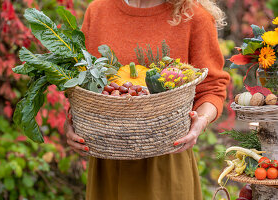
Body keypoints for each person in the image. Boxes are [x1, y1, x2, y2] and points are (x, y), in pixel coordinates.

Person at [65, 0, 230, 199]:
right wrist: (74, 121)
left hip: (167, 163)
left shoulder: (194, 15)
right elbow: (83, 84)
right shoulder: (98, 11)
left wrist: (200, 121)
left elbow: (212, 88)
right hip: (107, 163)